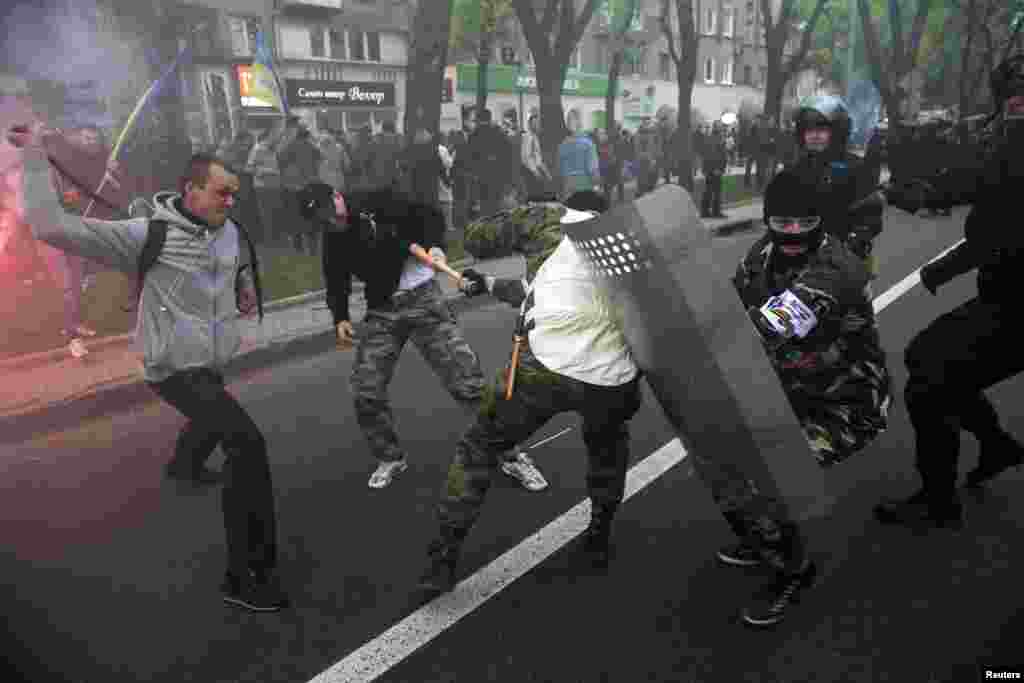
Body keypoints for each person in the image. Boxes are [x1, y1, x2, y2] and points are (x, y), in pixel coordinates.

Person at [10, 121, 287, 612]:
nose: (231, 202)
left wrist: (242, 288)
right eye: (223, 193)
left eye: (235, 194)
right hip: (173, 368)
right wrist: (34, 157)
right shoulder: (146, 236)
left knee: (213, 411)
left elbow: (230, 265)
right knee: (246, 443)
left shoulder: (227, 231)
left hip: (210, 358)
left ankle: (184, 466)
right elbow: (50, 226)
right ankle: (246, 576)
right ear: (191, 190)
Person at [417, 190, 643, 598]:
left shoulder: (548, 218)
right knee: (607, 445)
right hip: (611, 380)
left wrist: (513, 218)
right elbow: (542, 288)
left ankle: (441, 562)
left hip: (545, 370)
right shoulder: (626, 238)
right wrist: (487, 284)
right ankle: (599, 533)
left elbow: (477, 238)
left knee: (479, 449)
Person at [720, 168, 891, 627]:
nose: (792, 232)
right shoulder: (760, 256)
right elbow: (724, 306)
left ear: (820, 219)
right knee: (725, 461)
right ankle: (766, 539)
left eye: (803, 222)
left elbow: (772, 323)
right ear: (768, 219)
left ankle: (792, 569)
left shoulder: (837, 267)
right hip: (790, 389)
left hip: (847, 403)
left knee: (769, 477)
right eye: (782, 222)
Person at [303, 181, 548, 491]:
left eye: (330, 213)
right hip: (383, 307)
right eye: (322, 221)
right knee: (366, 389)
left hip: (423, 298)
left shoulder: (379, 199)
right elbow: (335, 278)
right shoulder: (333, 238)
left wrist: (433, 245)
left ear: (337, 197)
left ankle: (510, 456)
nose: (330, 222)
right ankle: (390, 457)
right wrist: (339, 316)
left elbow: (429, 216)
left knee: (467, 382)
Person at [872, 55, 1024, 529]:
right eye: (1013, 99)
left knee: (928, 370)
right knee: (938, 365)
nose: (1017, 109)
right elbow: (1002, 226)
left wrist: (896, 193)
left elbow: (966, 182)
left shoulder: (1011, 147)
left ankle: (939, 501)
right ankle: (996, 445)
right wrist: (946, 266)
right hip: (1006, 296)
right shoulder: (1007, 146)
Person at [42, 124, 130, 359]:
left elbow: (106, 194)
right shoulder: (43, 172)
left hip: (80, 230)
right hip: (57, 233)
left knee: (79, 281)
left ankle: (75, 325)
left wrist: (112, 176)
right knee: (69, 284)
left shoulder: (79, 165)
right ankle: (72, 336)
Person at [787, 96, 885, 280]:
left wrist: (856, 239)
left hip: (843, 260)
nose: (814, 135)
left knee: (852, 304)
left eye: (821, 130)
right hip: (800, 260)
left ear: (837, 132)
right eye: (809, 130)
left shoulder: (855, 167)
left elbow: (871, 215)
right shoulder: (795, 170)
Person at [278, 127, 322, 255]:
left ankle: (299, 248)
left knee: (295, 217)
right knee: (311, 217)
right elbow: (321, 157)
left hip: (294, 186)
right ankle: (313, 249)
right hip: (311, 185)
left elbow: (280, 159)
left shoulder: (290, 146)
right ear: (306, 136)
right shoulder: (311, 146)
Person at [558, 112, 600, 199]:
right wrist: (597, 186)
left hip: (568, 185)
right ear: (580, 123)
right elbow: (592, 169)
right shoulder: (588, 144)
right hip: (584, 184)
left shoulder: (563, 144)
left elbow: (560, 168)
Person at [700, 122, 729, 219]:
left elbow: (709, 155)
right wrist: (717, 168)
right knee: (715, 191)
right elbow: (714, 155)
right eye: (720, 127)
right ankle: (715, 212)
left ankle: (705, 211)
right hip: (714, 169)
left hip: (711, 169)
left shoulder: (711, 138)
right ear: (718, 128)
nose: (722, 129)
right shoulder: (716, 139)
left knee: (709, 190)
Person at [521, 114, 551, 200]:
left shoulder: (535, 137)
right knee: (533, 197)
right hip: (530, 172)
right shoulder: (528, 137)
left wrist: (546, 172)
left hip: (535, 171)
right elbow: (526, 156)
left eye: (538, 123)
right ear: (530, 125)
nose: (537, 125)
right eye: (535, 123)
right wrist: (535, 172)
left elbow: (538, 157)